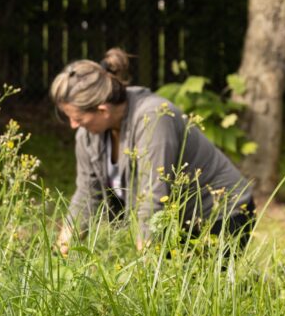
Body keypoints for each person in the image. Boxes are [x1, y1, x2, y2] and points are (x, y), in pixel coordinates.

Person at [52, 48, 254, 254]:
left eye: (77, 117)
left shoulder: (154, 118)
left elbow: (153, 196)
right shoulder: (87, 136)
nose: (73, 125)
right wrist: (62, 251)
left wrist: (145, 267)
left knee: (192, 285)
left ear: (102, 110)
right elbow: (87, 193)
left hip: (221, 216)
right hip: (173, 223)